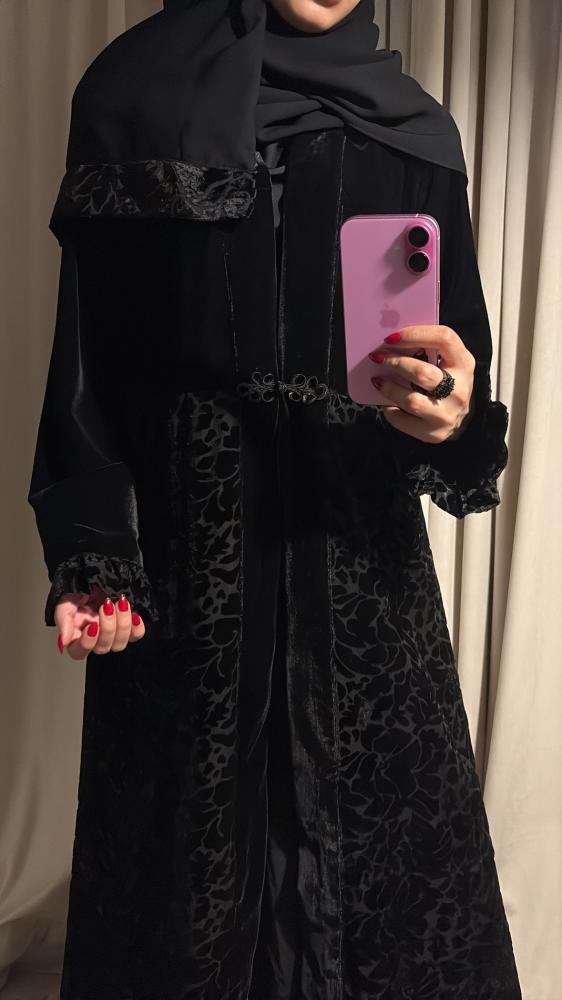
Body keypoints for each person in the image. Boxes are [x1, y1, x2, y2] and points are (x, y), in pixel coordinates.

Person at [27, 0, 523, 996]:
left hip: (361, 571)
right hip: (191, 564)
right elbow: (89, 362)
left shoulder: (411, 127)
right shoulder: (131, 97)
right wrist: (95, 554)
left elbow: (452, 371)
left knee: (380, 890)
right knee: (185, 888)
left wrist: (454, 416)